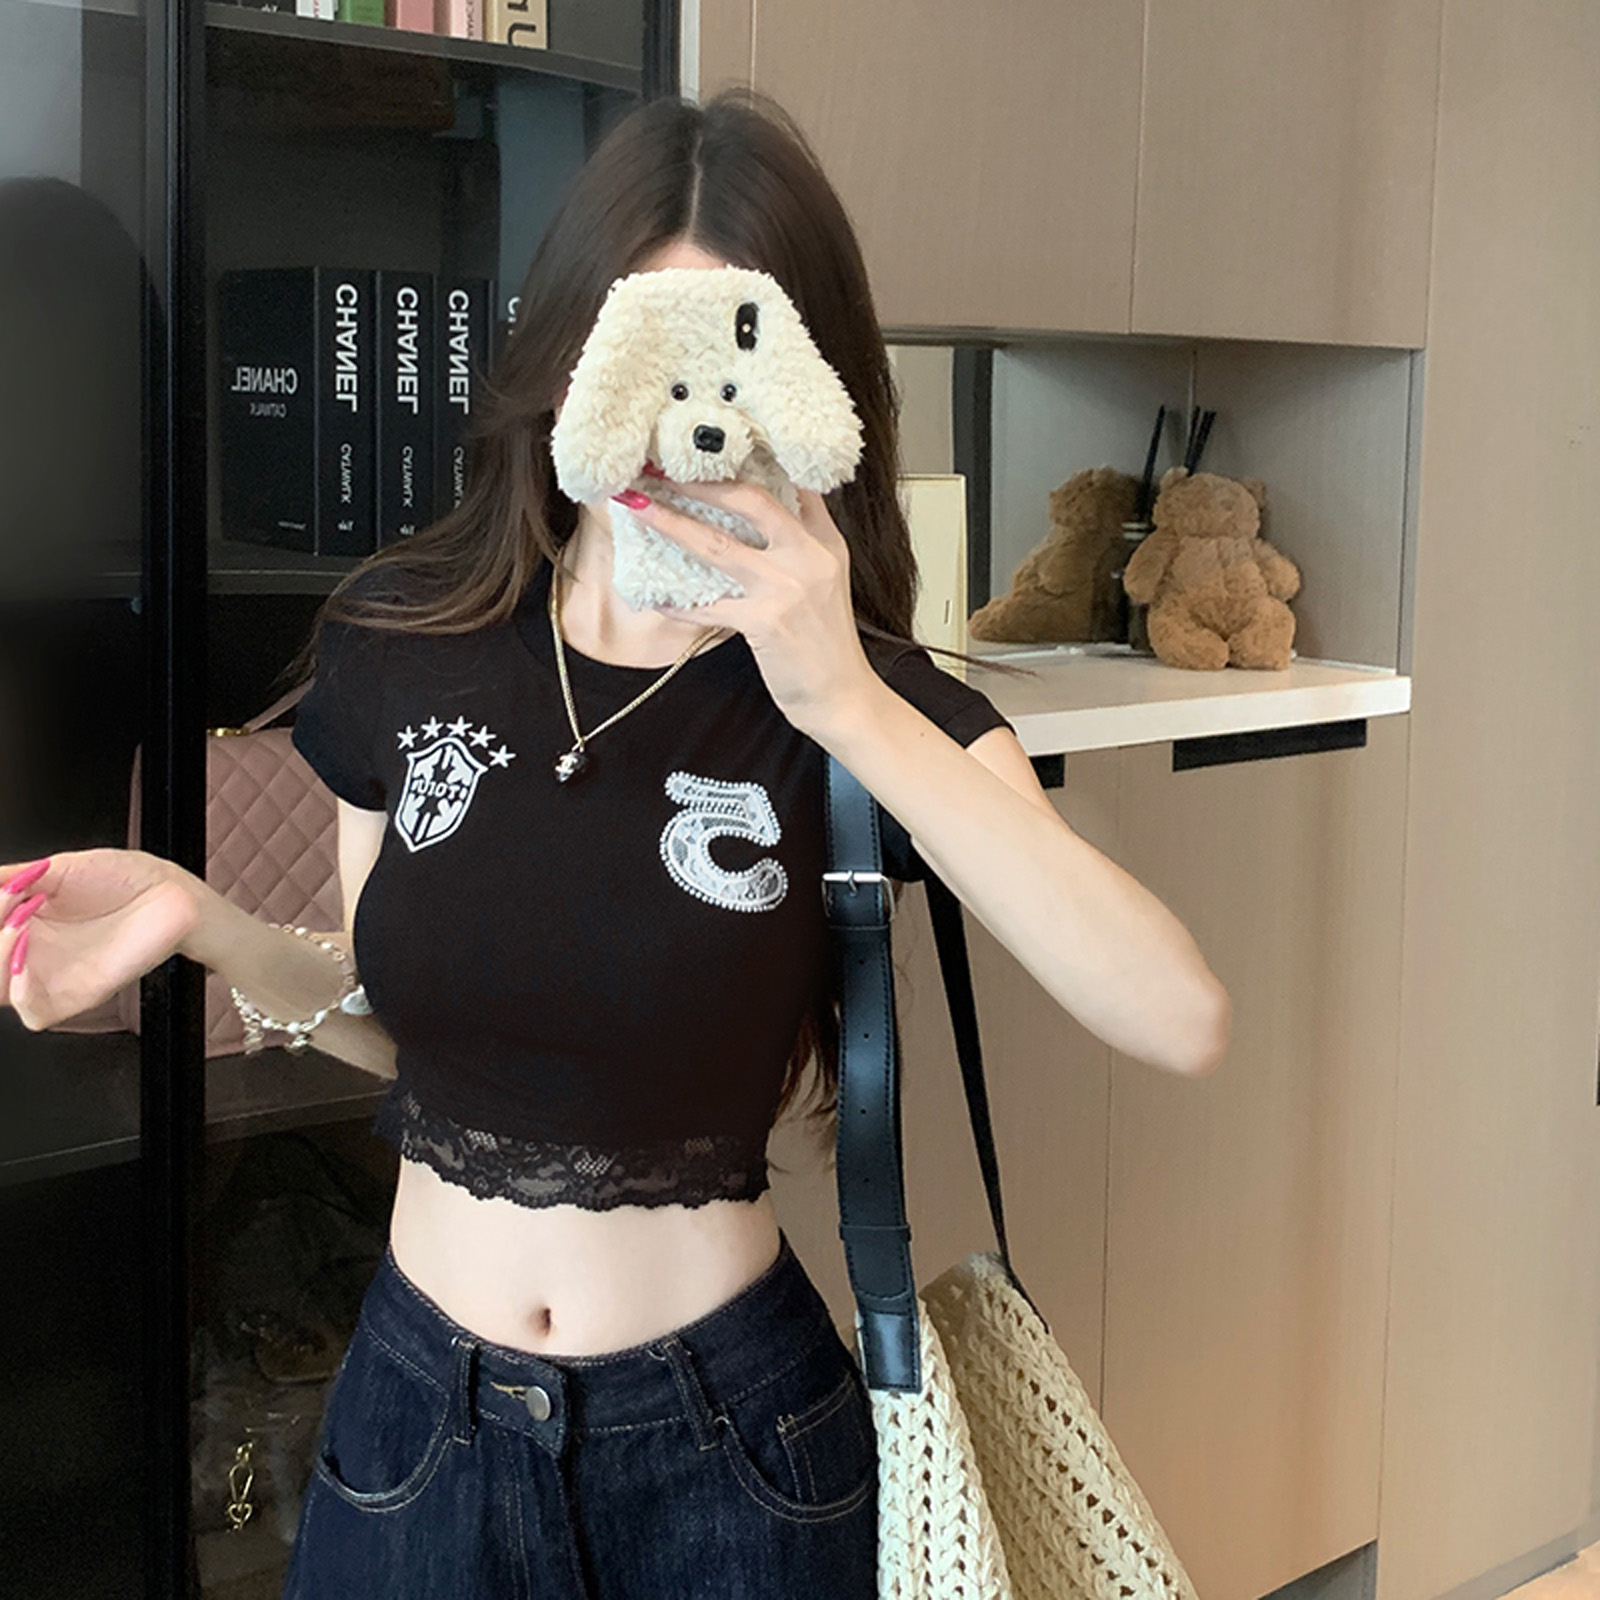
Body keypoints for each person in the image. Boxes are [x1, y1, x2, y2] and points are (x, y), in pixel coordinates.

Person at [0, 89, 1229, 1598]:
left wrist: (843, 699)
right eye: (643, 352)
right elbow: (415, 1040)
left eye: (735, 356)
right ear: (567, 367)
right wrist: (202, 921)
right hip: (415, 1433)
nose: (681, 422)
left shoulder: (860, 700)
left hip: (732, 1451)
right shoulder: (406, 641)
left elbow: (1175, 1014)